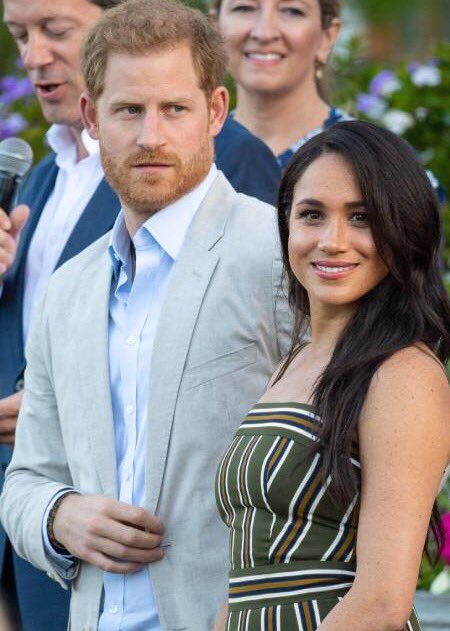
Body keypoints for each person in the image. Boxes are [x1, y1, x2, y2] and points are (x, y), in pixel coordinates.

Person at [0, 0, 293, 629]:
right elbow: (26, 478)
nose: (151, 136)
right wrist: (59, 515)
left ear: (216, 111)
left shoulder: (280, 256)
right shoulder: (67, 290)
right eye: (129, 110)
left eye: (174, 109)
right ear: (91, 117)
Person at [214, 120, 450, 630]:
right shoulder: (293, 363)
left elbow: (382, 604)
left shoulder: (403, 374)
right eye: (312, 214)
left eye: (361, 217)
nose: (332, 241)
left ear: (403, 228)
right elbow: (246, 575)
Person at [211, 0, 350, 169]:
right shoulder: (190, 151)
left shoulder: (366, 159)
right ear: (215, 29)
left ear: (327, 36)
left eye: (292, 11)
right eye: (244, 8)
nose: (264, 33)